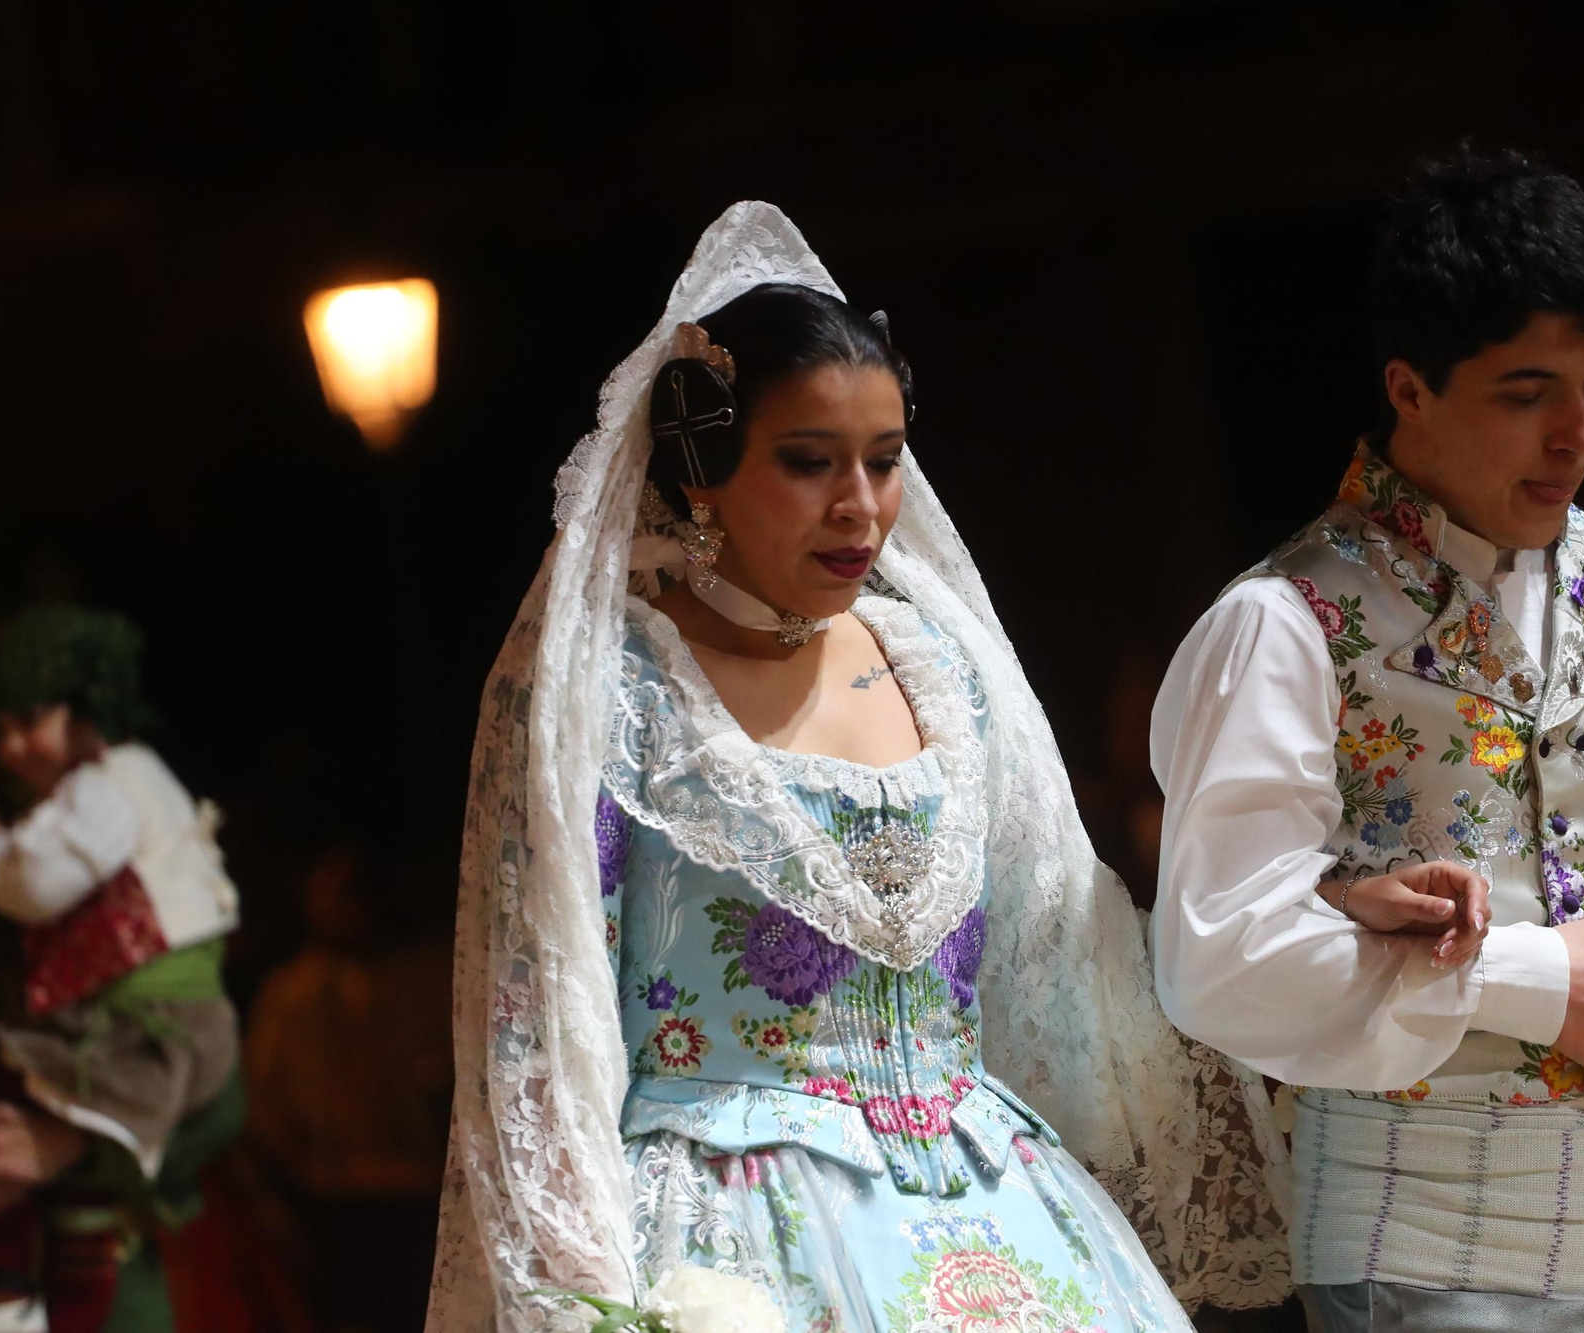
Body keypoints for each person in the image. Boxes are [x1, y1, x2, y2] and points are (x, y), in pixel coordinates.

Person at [427, 203, 1293, 1332]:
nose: (859, 507)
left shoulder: (941, 664)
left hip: (1002, 1219)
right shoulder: (613, 691)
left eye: (882, 462)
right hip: (726, 1254)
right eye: (806, 462)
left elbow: (1070, 948)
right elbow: (535, 1033)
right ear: (702, 468)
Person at [1149, 148, 1584, 1330]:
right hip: (1411, 1250)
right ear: (1408, 387)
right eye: (1524, 393)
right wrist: (1532, 978)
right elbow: (1216, 960)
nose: (1572, 433)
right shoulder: (1284, 622)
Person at [0, 607, 243, 1331]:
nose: (11, 748)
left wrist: (68, 1142)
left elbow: (216, 1100)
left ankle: (9, 1294)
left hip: (124, 1054)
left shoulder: (88, 792)